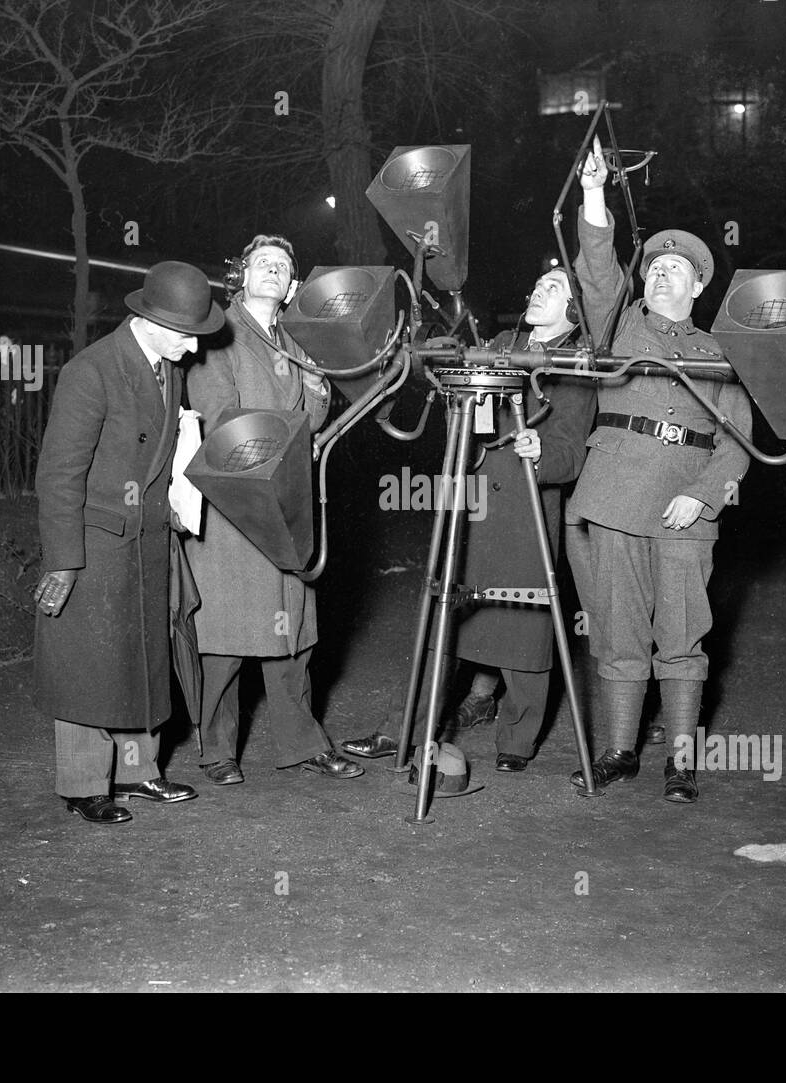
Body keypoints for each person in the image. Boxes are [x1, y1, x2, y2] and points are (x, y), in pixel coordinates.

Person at [341, 267, 597, 772]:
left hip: (525, 510)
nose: (538, 291)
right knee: (443, 625)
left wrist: (542, 450)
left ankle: (517, 742)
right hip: (474, 500)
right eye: (538, 284)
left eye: (554, 289)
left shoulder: (575, 363)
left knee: (527, 630)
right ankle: (403, 731)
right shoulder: (502, 341)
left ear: (574, 309)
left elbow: (572, 446)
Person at [564, 136, 752, 802]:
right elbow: (596, 267)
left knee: (682, 633)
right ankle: (618, 750)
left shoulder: (722, 351)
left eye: (678, 270)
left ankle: (681, 760)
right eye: (656, 266)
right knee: (616, 628)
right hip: (614, 493)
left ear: (700, 287)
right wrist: (594, 192)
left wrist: (703, 498)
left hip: (682, 506)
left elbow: (737, 439)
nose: (663, 274)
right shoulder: (619, 325)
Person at [33, 261, 220, 824]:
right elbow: (58, 474)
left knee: (142, 659)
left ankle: (138, 773)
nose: (193, 348)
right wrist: (64, 562)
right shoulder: (90, 371)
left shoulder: (167, 366)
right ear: (149, 320)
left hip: (150, 538)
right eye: (186, 334)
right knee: (90, 664)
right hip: (97, 543)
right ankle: (85, 784)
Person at [185, 234, 361, 784]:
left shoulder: (297, 342)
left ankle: (302, 743)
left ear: (291, 287)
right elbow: (220, 419)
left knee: (293, 632)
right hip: (236, 502)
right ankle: (217, 752)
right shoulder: (218, 335)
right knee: (225, 636)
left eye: (282, 267)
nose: (272, 270)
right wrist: (282, 448)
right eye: (261, 262)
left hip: (287, 501)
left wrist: (315, 387)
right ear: (242, 275)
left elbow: (317, 419)